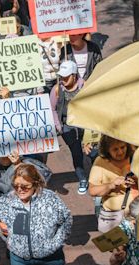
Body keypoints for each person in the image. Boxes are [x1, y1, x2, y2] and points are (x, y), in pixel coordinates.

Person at [50, 60, 88, 194]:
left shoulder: (84, 86)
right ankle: (82, 178)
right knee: (76, 152)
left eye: (66, 76)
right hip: (68, 127)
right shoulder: (56, 90)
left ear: (74, 75)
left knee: (92, 151)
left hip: (85, 125)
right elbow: (53, 109)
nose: (63, 79)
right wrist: (59, 127)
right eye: (62, 76)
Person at [88, 136, 136, 232]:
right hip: (114, 218)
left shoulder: (135, 157)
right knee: (118, 245)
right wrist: (111, 185)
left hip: (138, 216)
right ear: (107, 150)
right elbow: (92, 191)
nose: (120, 152)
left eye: (123, 147)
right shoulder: (100, 162)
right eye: (115, 149)